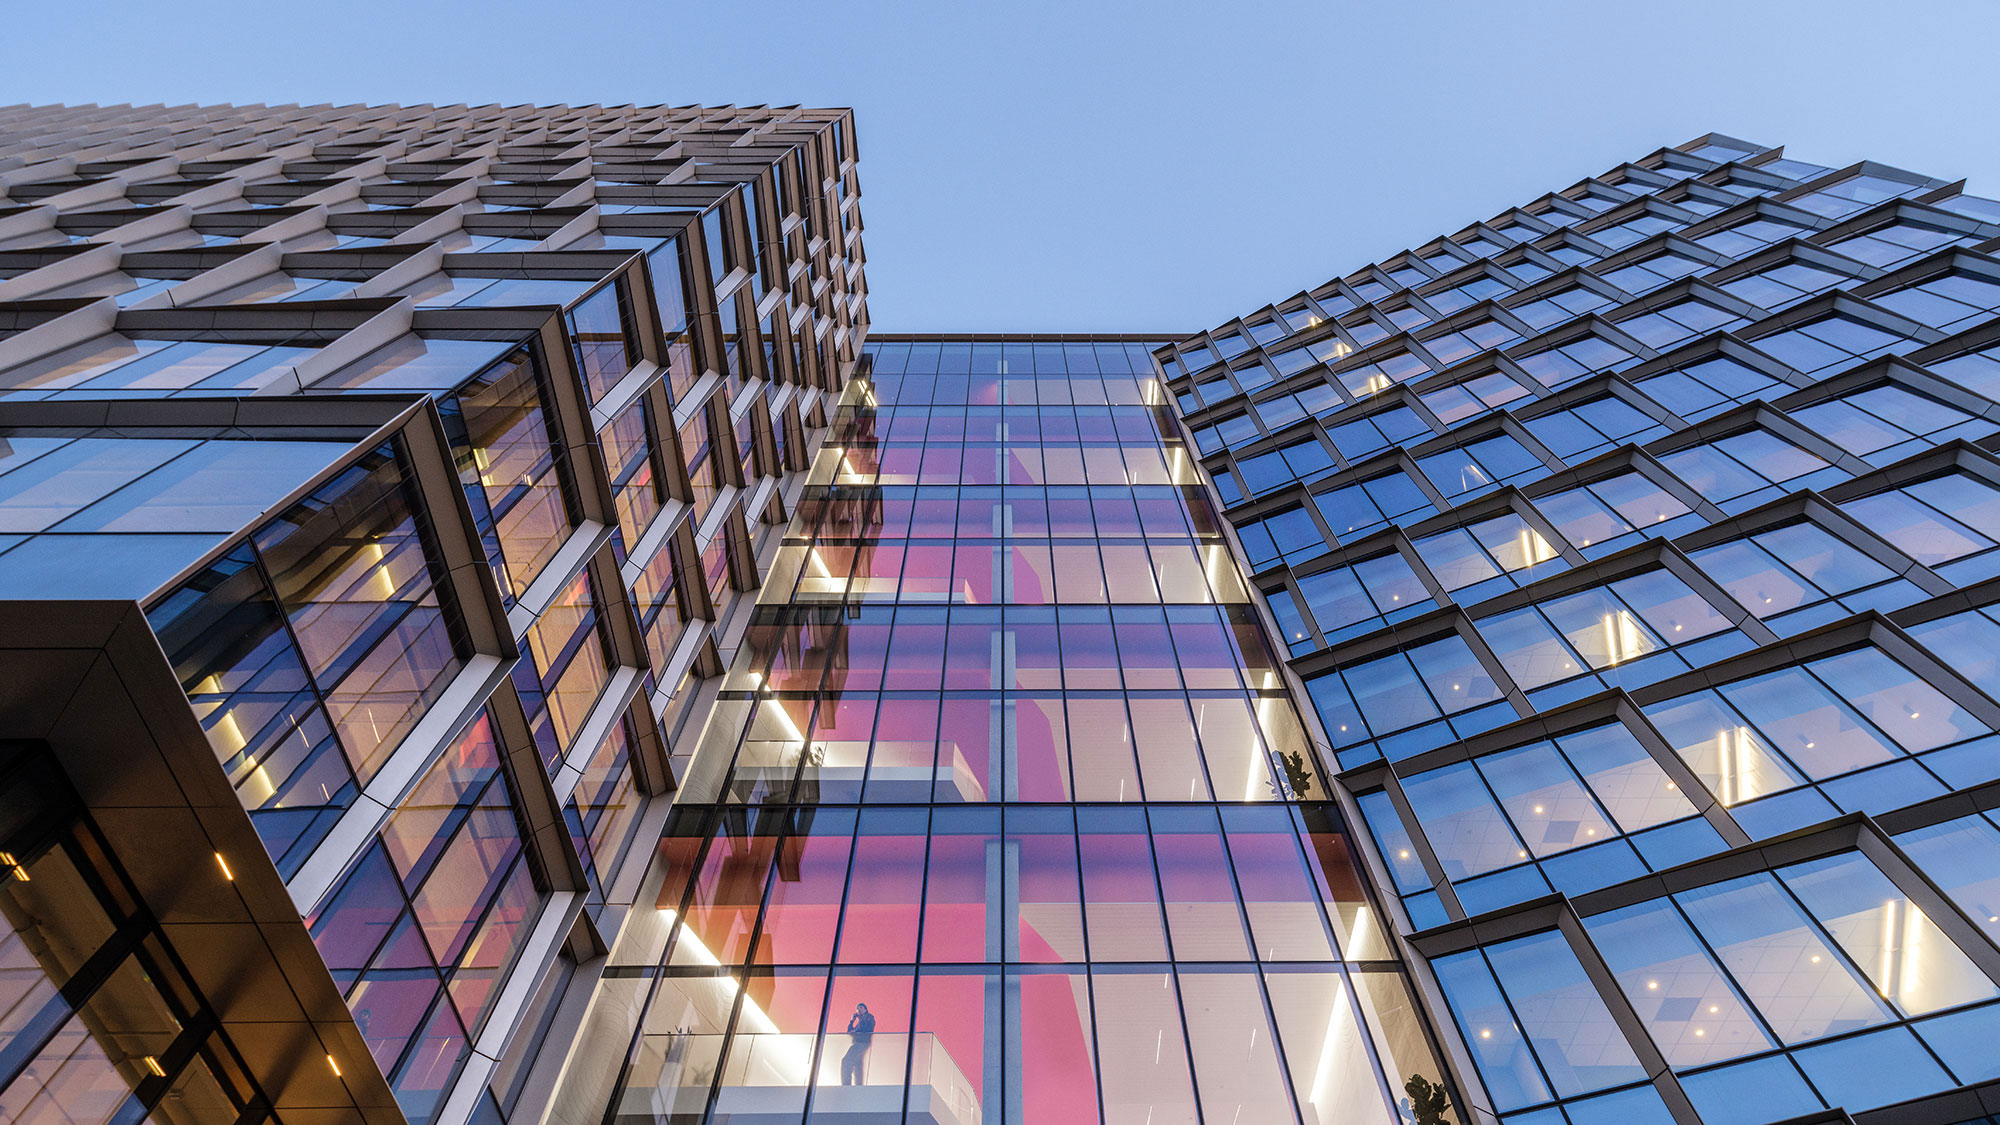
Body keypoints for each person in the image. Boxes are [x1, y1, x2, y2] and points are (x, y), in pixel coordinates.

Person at [840, 1002, 875, 1085]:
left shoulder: (869, 1017)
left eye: (861, 1008)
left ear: (866, 1010)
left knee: (846, 1061)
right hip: (859, 1042)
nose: (859, 1009)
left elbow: (868, 1028)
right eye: (857, 1008)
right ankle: (858, 1086)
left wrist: (855, 1030)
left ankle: (846, 1085)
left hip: (862, 1042)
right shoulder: (858, 1023)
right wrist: (852, 1021)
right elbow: (849, 1031)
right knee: (857, 1065)